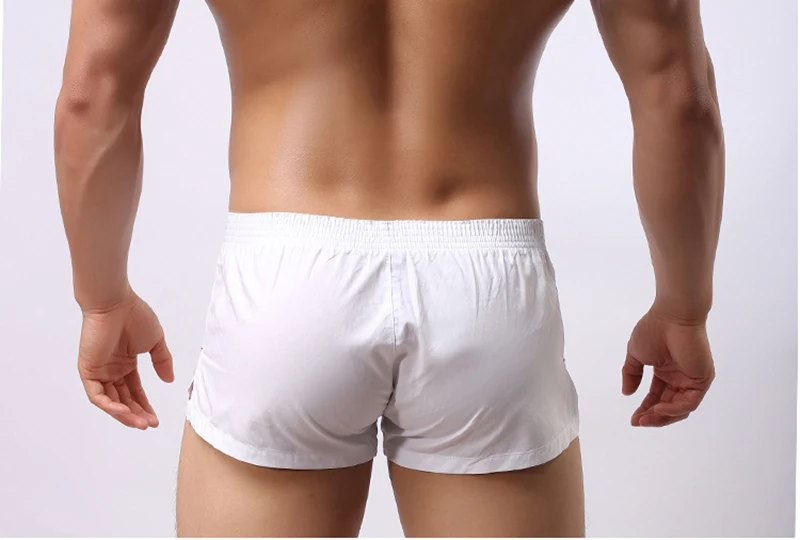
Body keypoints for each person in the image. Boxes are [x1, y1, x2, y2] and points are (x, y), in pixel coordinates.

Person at [54, 0, 723, 536]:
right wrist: (684, 307)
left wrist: (103, 300)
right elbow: (680, 99)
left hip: (286, 281)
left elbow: (93, 94)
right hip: (486, 282)